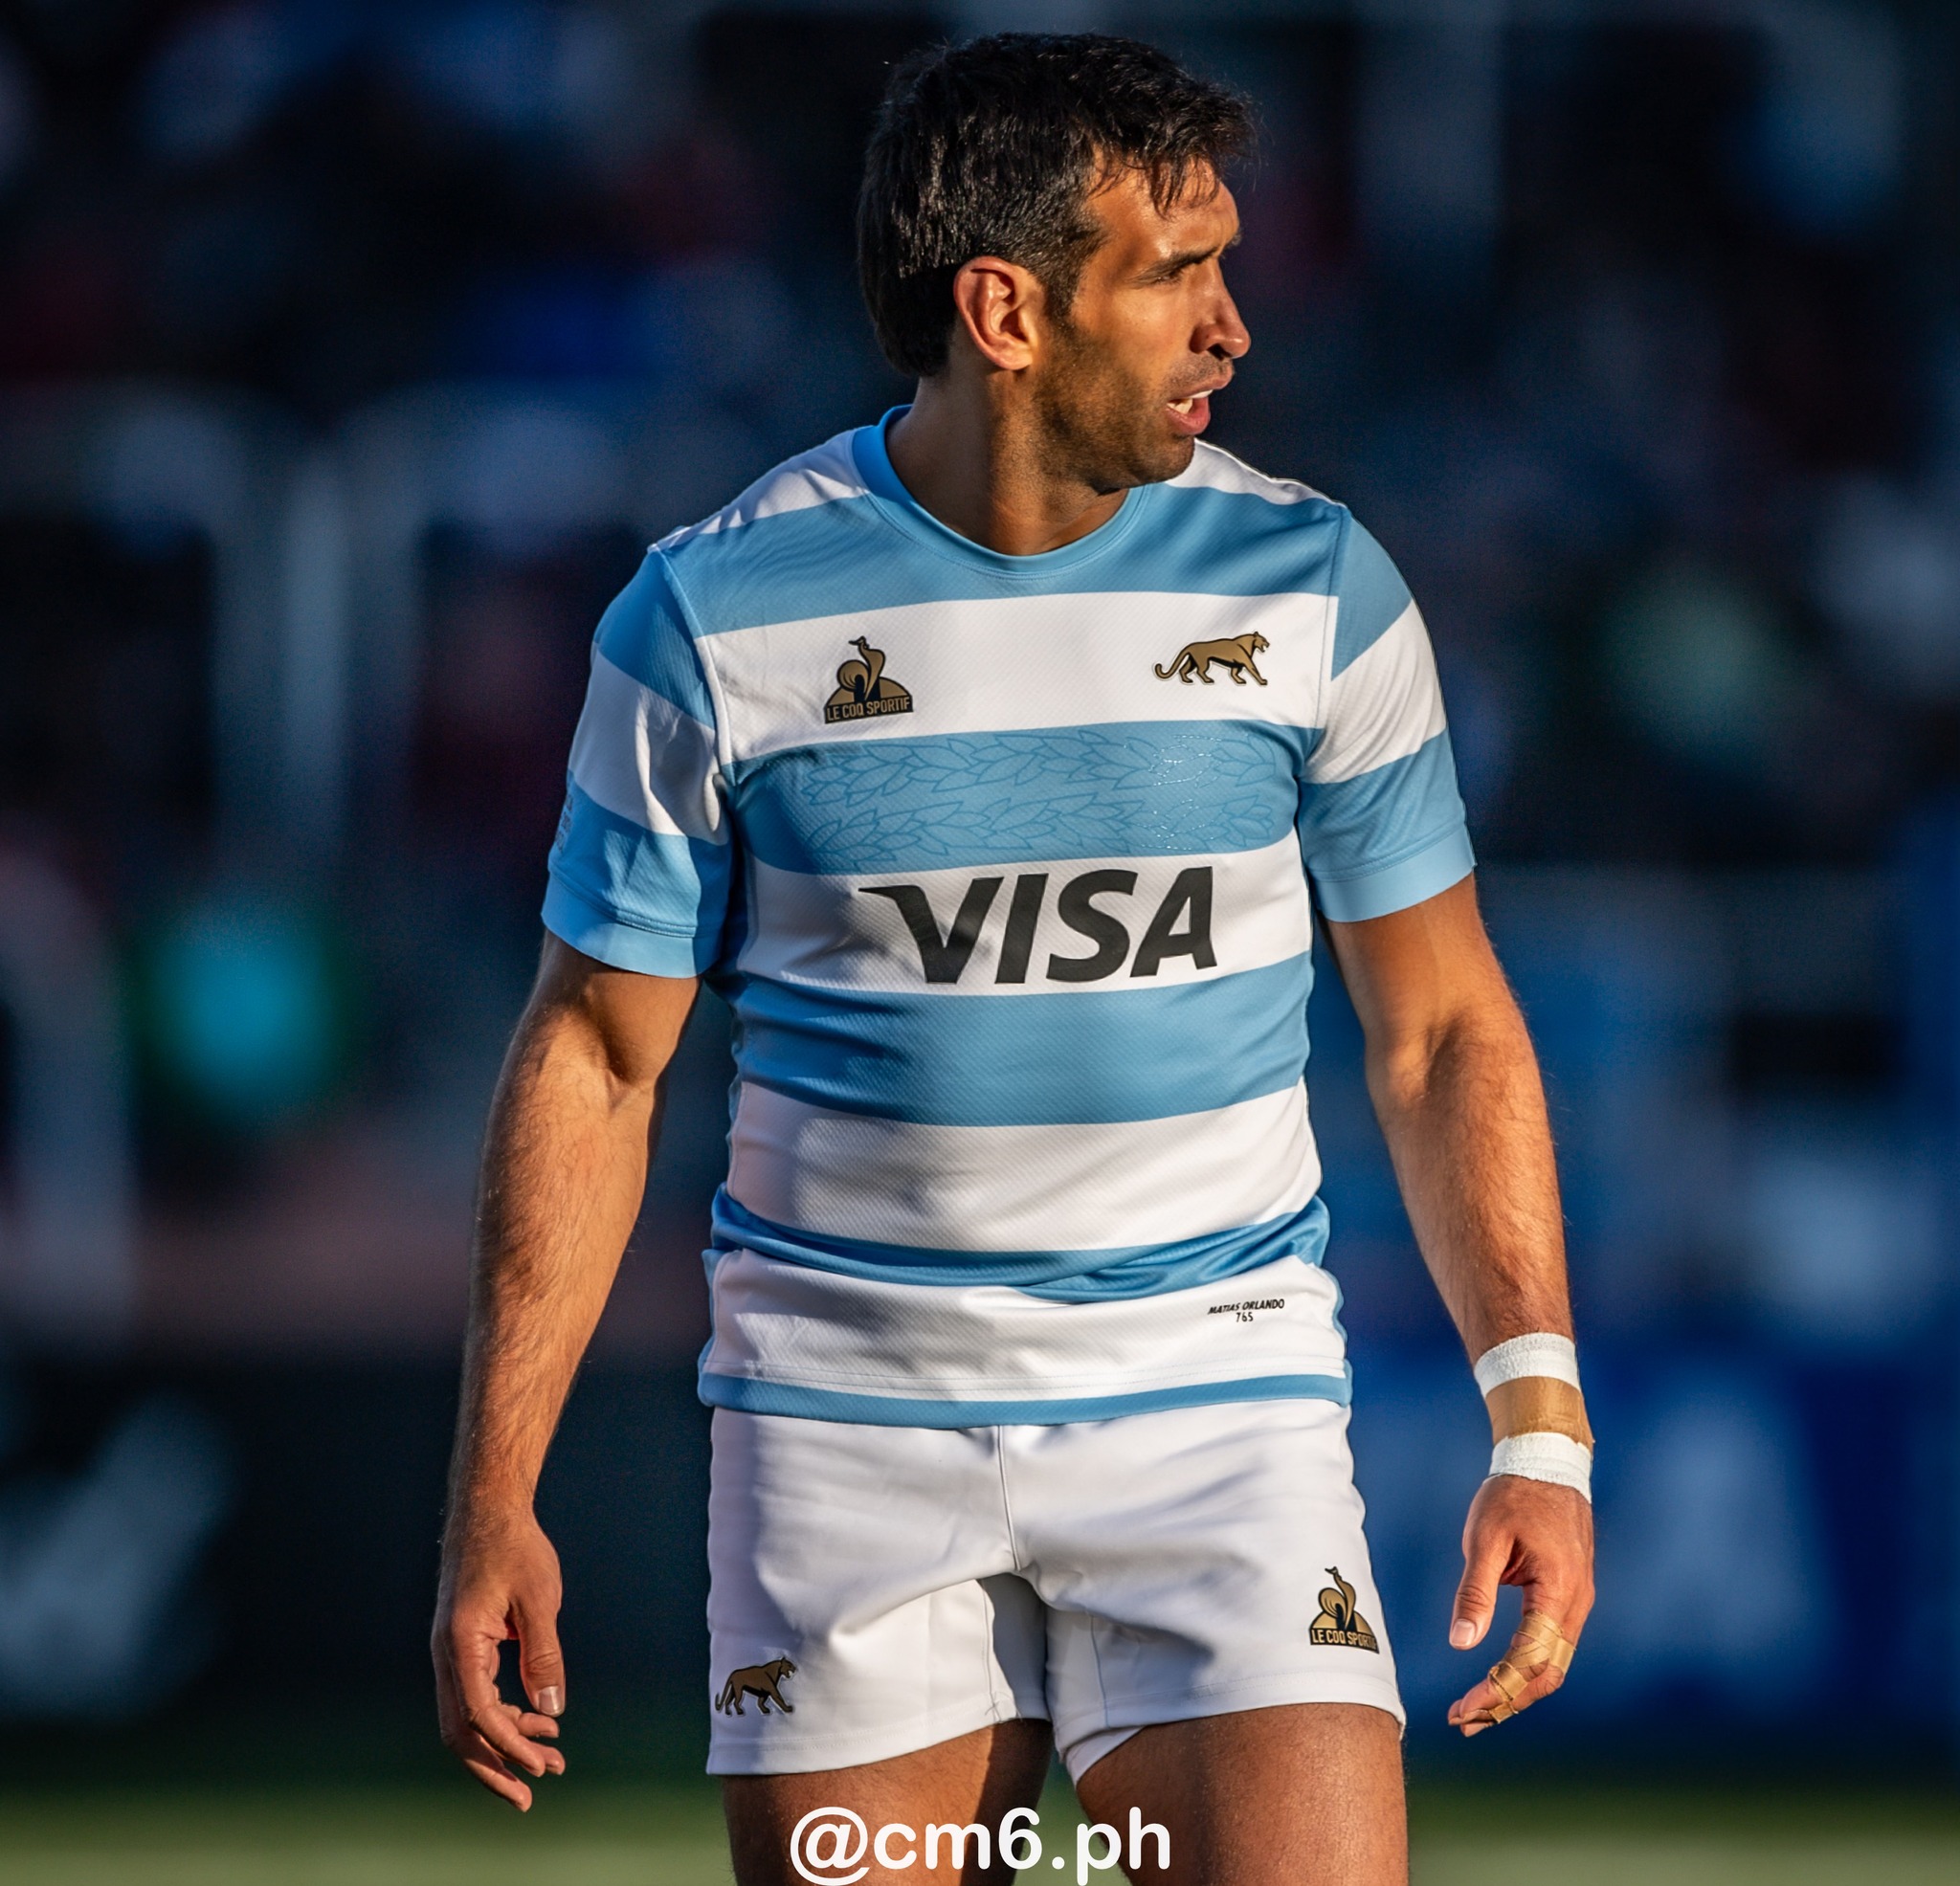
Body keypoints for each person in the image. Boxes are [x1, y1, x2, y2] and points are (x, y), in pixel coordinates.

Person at [433, 32, 1594, 1886]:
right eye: (1177, 273)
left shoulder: (1315, 586)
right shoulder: (709, 615)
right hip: (844, 1427)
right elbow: (597, 1053)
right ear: (1007, 309)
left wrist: (1539, 1427)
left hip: (1218, 1399)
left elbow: (1442, 1027)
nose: (1231, 327)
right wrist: (493, 1491)